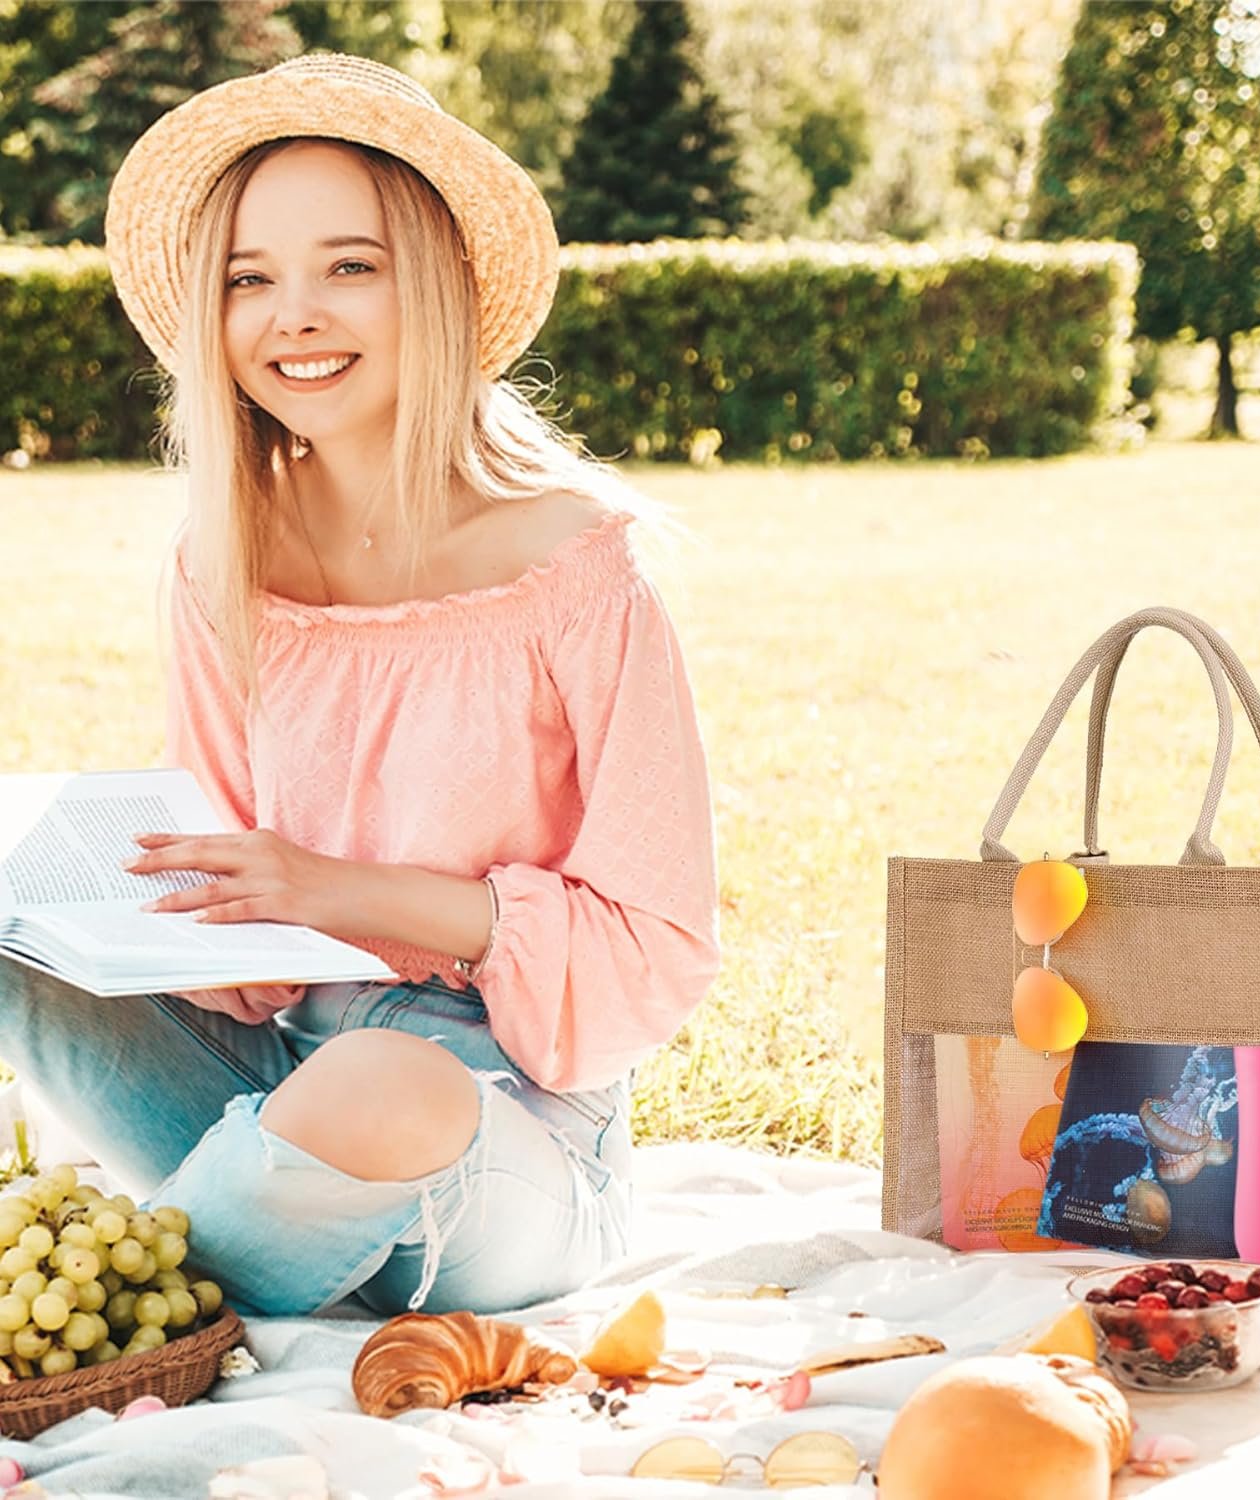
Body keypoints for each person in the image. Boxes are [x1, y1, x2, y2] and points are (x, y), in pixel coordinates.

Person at [0, 53, 720, 1318]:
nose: (295, 316)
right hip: (258, 1085)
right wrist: (118, 909)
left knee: (387, 1080)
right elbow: (233, 921)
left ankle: (159, 1279)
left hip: (500, 1126)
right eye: (249, 279)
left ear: (434, 283)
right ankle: (220, 1249)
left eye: (350, 266)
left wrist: (340, 891)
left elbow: (657, 948)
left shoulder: (574, 569)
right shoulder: (223, 560)